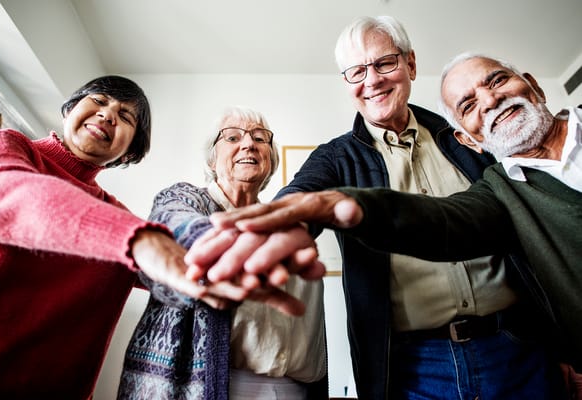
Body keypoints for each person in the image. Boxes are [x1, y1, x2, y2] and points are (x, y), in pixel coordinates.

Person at [186, 18, 566, 399]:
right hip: (413, 366)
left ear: (410, 65)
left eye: (384, 63)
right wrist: (281, 227)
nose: (372, 80)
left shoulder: (465, 133)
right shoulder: (335, 157)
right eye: (356, 71)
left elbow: (535, 223)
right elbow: (301, 195)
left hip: (519, 347)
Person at [0, 76, 317, 400]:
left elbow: (165, 277)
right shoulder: (6, 146)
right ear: (69, 108)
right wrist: (145, 241)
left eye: (125, 116)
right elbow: (12, 194)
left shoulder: (115, 212)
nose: (107, 113)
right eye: (99, 100)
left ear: (130, 150)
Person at [118, 106, 328, 400]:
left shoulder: (286, 222)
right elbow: (173, 222)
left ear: (270, 159)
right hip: (206, 388)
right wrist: (211, 244)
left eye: (260, 138)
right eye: (232, 137)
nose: (249, 144)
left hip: (294, 389)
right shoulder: (184, 198)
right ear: (212, 159)